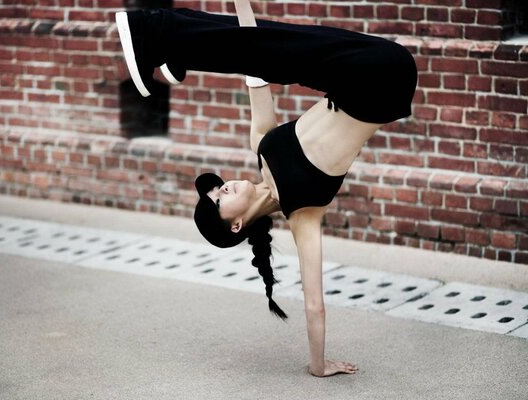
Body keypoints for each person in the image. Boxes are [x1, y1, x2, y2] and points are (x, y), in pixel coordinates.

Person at [116, 0, 417, 378]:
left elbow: (255, 66)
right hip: (378, 86)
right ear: (237, 224)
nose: (224, 187)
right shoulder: (304, 213)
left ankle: (170, 42)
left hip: (371, 61)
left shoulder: (262, 147)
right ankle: (156, 34)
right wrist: (319, 365)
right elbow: (314, 305)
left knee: (267, 48)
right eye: (221, 198)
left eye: (218, 188)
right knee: (271, 51)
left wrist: (242, 3)